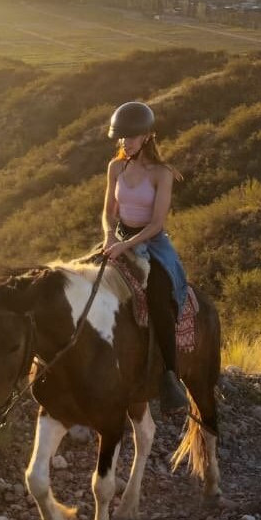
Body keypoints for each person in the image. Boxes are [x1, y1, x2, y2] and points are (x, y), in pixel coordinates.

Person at [101, 101, 189, 414]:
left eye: (132, 136)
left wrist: (126, 246)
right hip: (120, 238)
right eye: (122, 136)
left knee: (158, 299)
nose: (126, 141)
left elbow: (156, 224)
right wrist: (110, 236)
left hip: (152, 244)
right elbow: (108, 212)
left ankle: (170, 378)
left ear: (148, 136)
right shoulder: (116, 167)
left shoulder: (161, 173)